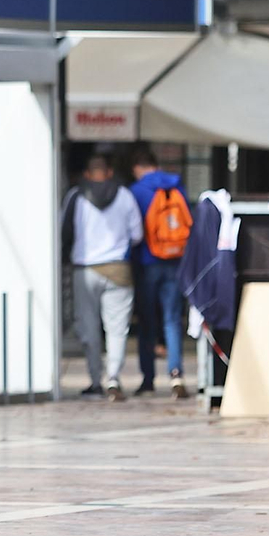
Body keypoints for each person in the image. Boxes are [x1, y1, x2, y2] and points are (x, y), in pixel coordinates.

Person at [62, 153, 142, 401]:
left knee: (89, 328)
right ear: (109, 172)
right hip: (118, 269)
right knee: (117, 328)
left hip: (85, 270)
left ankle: (95, 380)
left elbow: (64, 232)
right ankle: (113, 380)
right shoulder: (125, 195)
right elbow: (137, 234)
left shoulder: (76, 196)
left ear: (87, 174)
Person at [130, 149, 191, 398]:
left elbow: (133, 230)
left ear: (138, 167)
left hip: (147, 262)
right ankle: (176, 374)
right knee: (172, 320)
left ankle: (148, 379)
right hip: (176, 261)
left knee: (147, 322)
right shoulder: (178, 188)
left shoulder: (136, 191)